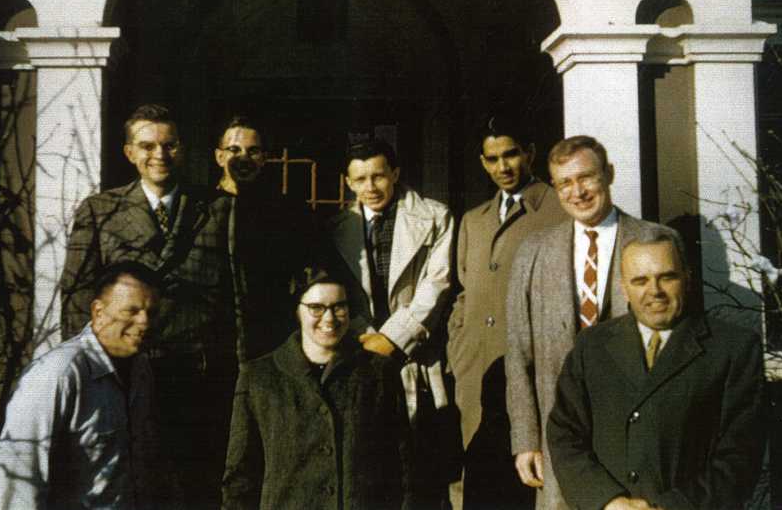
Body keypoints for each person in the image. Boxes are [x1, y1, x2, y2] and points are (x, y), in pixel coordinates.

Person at [60, 103, 236, 507]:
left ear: (183, 149)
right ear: (129, 153)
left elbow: (236, 298)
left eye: (169, 144)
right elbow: (76, 300)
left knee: (198, 485)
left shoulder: (218, 209)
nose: (159, 154)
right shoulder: (101, 211)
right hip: (127, 376)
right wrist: (93, 374)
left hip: (199, 379)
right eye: (147, 145)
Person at [505, 135, 681, 510]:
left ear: (609, 175)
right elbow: (519, 354)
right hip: (562, 440)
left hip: (641, 442)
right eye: (565, 183)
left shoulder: (658, 241)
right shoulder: (533, 253)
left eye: (586, 177)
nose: (577, 192)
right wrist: (525, 439)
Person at [546, 234, 765, 510]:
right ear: (624, 288)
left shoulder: (733, 348)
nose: (655, 291)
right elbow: (565, 434)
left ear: (687, 278)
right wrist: (608, 501)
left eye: (667, 277)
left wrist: (670, 507)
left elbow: (740, 456)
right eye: (640, 281)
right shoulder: (591, 347)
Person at [446, 115, 566, 509]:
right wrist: (458, 346)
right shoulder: (473, 221)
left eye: (511, 155)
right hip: (476, 370)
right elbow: (463, 291)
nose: (503, 167)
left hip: (531, 370)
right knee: (477, 478)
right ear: (482, 162)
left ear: (529, 153)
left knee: (530, 476)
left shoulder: (558, 210)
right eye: (492, 158)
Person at [327, 138, 454, 507]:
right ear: (349, 183)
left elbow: (438, 282)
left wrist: (394, 338)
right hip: (360, 354)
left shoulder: (435, 216)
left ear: (395, 174)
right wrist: (365, 337)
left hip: (416, 355)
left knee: (422, 470)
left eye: (379, 176)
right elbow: (338, 290)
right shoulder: (337, 227)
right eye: (361, 179)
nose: (371, 187)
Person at [222, 266, 412, 510]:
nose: (329, 318)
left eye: (338, 307)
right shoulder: (260, 378)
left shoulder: (378, 373)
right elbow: (240, 479)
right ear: (298, 311)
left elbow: (405, 467)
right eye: (317, 308)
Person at [0, 262, 166, 509]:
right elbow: (19, 478)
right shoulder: (55, 375)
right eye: (132, 311)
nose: (145, 322)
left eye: (152, 312)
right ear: (98, 312)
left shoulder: (141, 370)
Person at [213, 114, 314, 359]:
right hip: (215, 342)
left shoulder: (288, 211)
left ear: (265, 158)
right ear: (219, 156)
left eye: (253, 151)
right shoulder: (200, 208)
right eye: (234, 150)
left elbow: (311, 273)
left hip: (271, 340)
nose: (244, 158)